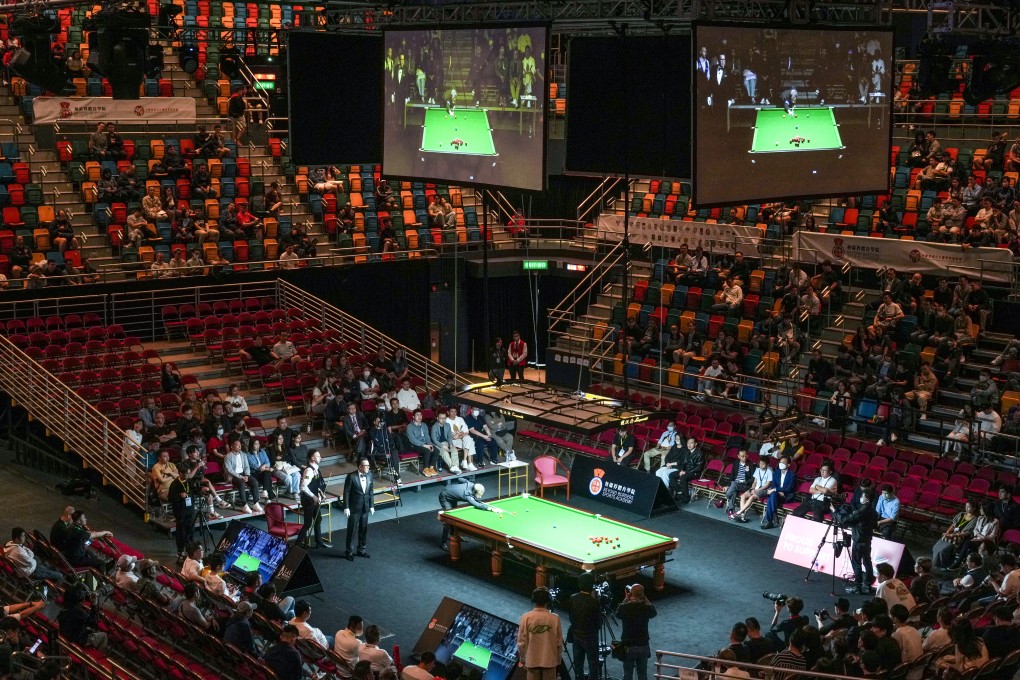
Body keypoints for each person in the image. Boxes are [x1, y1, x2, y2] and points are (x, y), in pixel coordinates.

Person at [438, 480, 504, 550]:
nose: (480, 497)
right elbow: (476, 504)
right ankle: (443, 543)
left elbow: (460, 479)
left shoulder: (471, 484)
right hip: (445, 496)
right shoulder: (467, 495)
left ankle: (454, 534)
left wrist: (458, 488)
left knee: (454, 517)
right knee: (448, 520)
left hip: (452, 496)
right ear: (474, 491)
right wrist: (491, 509)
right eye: (479, 494)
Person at [517, 587, 563, 680]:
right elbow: (559, 643)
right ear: (548, 601)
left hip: (531, 661)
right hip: (550, 661)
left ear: (533, 600)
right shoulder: (555, 618)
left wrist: (523, 659)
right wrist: (558, 661)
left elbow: (521, 643)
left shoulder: (525, 617)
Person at [615, 584, 656, 680]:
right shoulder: (646, 608)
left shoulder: (624, 608)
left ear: (630, 593)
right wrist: (643, 597)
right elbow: (654, 612)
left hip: (628, 647)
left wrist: (626, 599)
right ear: (642, 595)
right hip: (643, 646)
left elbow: (617, 613)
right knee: (642, 674)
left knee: (628, 674)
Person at [842, 486, 878, 594]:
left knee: (856, 563)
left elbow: (845, 520)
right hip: (867, 541)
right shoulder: (873, 512)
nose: (860, 497)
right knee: (867, 562)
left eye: (862, 496)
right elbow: (875, 525)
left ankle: (857, 586)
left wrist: (835, 511)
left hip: (858, 541)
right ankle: (867, 585)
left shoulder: (861, 511)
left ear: (866, 499)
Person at [568, 572, 600, 680]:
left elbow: (571, 617)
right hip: (590, 637)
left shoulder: (573, 598)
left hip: (576, 635)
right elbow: (598, 622)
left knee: (578, 663)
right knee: (593, 664)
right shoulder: (595, 602)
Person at [342, 458, 374, 561]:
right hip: (354, 508)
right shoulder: (351, 476)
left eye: (369, 465)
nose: (368, 467)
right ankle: (349, 551)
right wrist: (346, 507)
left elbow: (371, 492)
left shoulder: (370, 475)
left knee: (363, 530)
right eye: (366, 465)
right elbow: (346, 492)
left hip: (365, 508)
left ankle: (361, 550)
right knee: (351, 530)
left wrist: (372, 505)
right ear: (360, 466)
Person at [297, 450, 327, 549]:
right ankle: (297, 545)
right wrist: (313, 496)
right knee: (308, 523)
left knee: (318, 519)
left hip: (315, 499)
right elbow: (303, 486)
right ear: (312, 458)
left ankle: (319, 542)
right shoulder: (309, 470)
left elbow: (315, 484)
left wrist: (321, 493)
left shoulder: (316, 469)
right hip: (308, 500)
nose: (320, 458)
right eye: (318, 456)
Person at [762, 456, 796, 530]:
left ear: (788, 465)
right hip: (776, 495)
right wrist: (777, 490)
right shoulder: (777, 472)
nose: (781, 464)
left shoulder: (792, 475)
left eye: (783, 463)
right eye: (780, 462)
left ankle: (770, 520)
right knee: (773, 495)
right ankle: (774, 514)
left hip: (786, 496)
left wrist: (776, 490)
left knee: (771, 497)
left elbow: (789, 488)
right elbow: (773, 484)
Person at [735, 457, 772, 522]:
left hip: (764, 490)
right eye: (760, 463)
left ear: (767, 465)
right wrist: (752, 488)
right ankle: (742, 515)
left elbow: (767, 485)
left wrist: (757, 490)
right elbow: (755, 482)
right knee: (743, 496)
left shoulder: (769, 471)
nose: (760, 465)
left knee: (752, 497)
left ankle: (740, 512)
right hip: (755, 488)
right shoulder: (757, 470)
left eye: (763, 464)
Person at [724, 449, 754, 517]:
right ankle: (731, 509)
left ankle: (724, 497)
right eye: (742, 456)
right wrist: (728, 485)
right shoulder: (736, 463)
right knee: (734, 491)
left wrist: (746, 482)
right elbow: (732, 475)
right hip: (735, 484)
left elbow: (753, 478)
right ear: (738, 456)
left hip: (744, 485)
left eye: (745, 456)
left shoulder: (750, 464)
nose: (744, 457)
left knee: (733, 485)